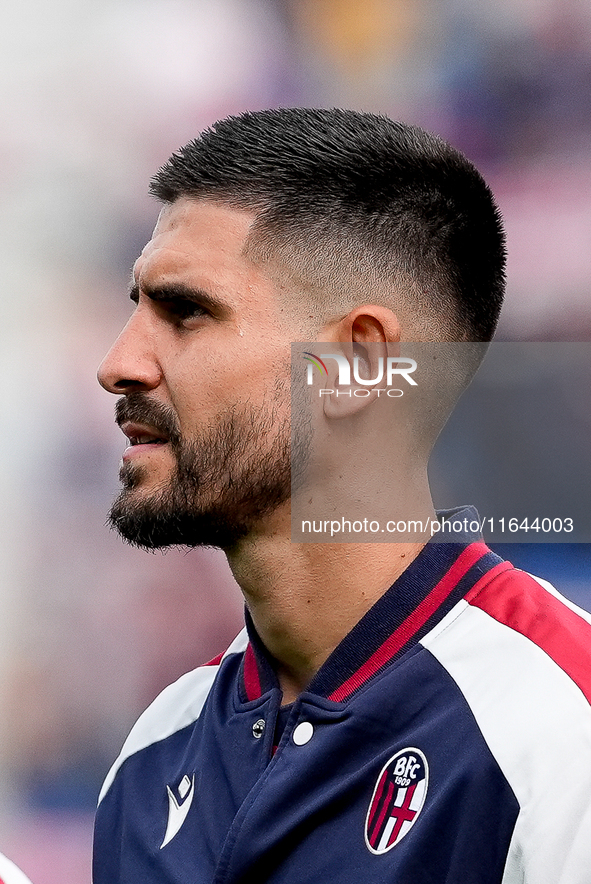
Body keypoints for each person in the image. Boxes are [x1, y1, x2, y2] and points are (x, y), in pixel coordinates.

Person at [92, 108, 591, 883]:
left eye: (184, 311)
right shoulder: (153, 753)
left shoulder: (560, 728)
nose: (119, 363)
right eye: (134, 307)